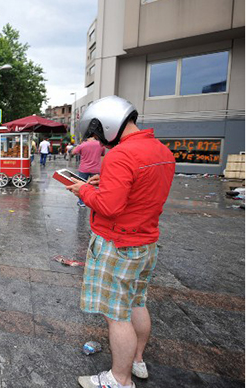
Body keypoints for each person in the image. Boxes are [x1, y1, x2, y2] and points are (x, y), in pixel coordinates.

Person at [65, 96, 175, 388]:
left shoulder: (121, 155)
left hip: (118, 245)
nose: (101, 141)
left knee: (117, 315)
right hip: (146, 244)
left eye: (98, 133)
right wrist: (106, 181)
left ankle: (119, 379)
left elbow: (110, 208)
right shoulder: (160, 150)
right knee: (137, 303)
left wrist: (83, 191)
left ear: (109, 124)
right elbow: (141, 188)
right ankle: (137, 361)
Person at [70, 133, 105, 207]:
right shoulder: (101, 145)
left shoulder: (83, 145)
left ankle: (81, 202)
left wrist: (78, 145)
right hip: (96, 169)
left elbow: (73, 152)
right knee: (95, 186)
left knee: (82, 185)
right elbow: (102, 155)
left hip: (84, 169)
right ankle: (94, 201)